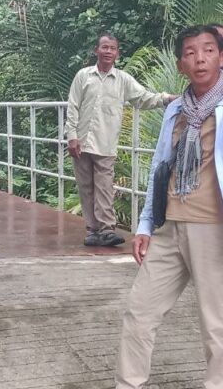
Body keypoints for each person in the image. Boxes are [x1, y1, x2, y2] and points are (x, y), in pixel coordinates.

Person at [91, 24, 223, 389]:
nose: (199, 59)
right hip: (170, 225)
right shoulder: (176, 110)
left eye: (208, 50)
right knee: (140, 309)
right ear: (181, 64)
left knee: (216, 319)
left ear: (222, 56)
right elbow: (162, 167)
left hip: (215, 228)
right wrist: (145, 224)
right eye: (190, 53)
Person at [65, 33, 177, 248]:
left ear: (117, 53)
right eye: (104, 47)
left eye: (112, 48)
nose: (108, 51)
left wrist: (167, 99)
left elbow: (143, 98)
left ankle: (107, 229)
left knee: (104, 186)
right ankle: (93, 230)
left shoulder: (123, 80)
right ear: (96, 50)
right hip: (81, 141)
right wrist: (72, 136)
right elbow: (73, 106)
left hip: (105, 143)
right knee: (85, 186)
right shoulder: (83, 76)